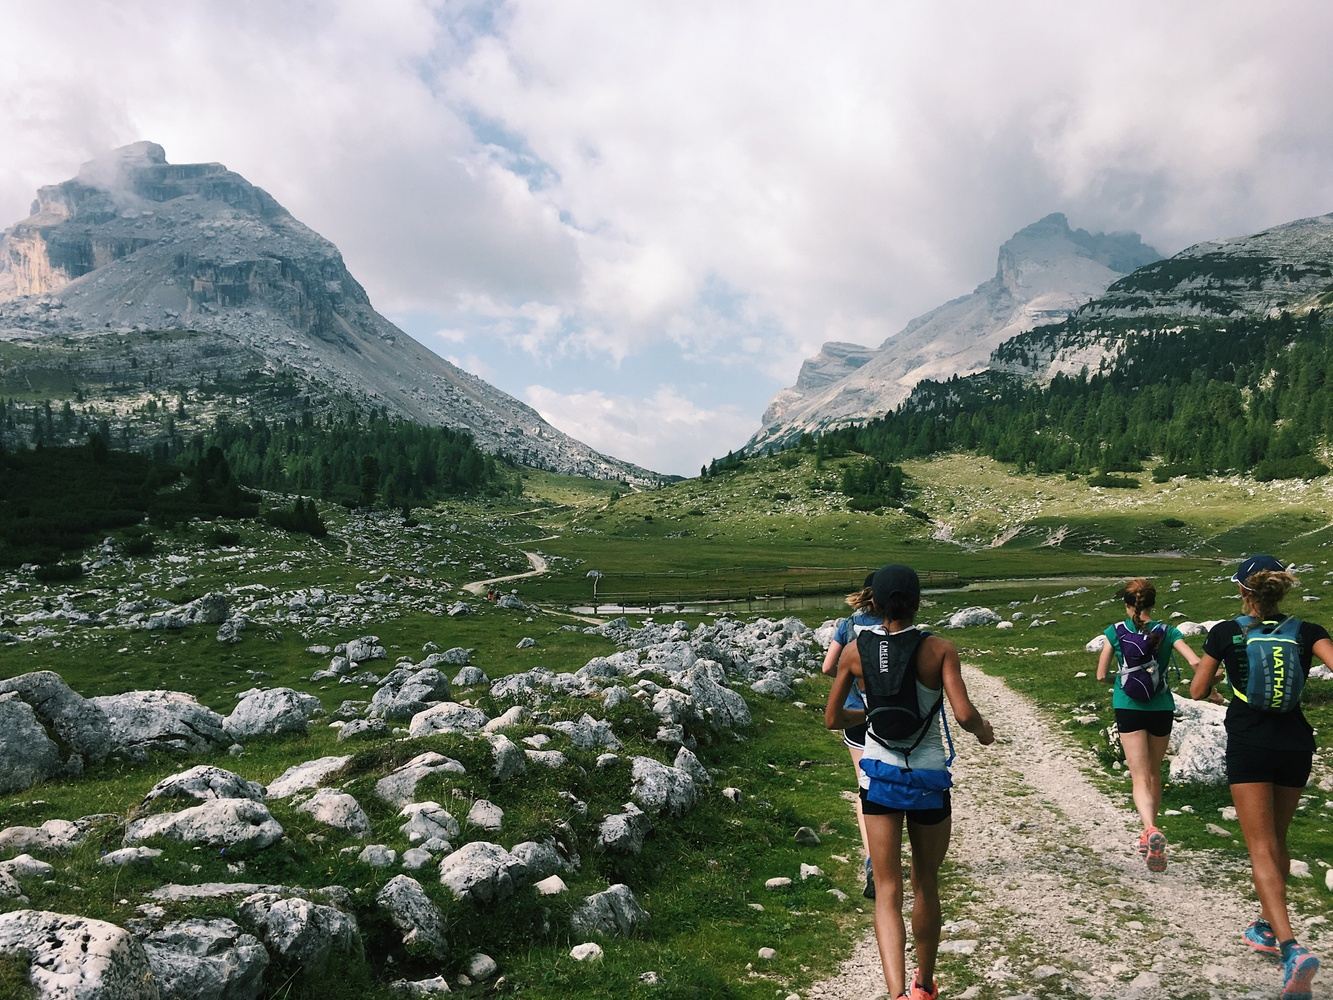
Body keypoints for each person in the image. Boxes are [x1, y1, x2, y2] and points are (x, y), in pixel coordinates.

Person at [825, 564, 995, 1000]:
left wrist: (872, 715)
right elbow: (962, 713)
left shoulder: (854, 651)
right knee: (926, 883)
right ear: (918, 601)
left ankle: (896, 993)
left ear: (874, 603)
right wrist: (984, 731)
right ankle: (924, 985)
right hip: (928, 776)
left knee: (887, 889)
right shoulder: (939, 649)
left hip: (879, 775)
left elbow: (832, 719)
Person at [1191, 555, 1327, 1000]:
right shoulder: (1307, 631)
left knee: (1260, 846)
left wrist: (1214, 689)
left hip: (1250, 741)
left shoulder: (1226, 632)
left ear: (1242, 591)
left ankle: (1291, 948)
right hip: (1296, 742)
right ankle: (1268, 927)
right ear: (1280, 589)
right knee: (1279, 840)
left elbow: (1196, 689)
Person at [1094, 578, 1200, 872]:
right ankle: (1153, 828)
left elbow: (1101, 675)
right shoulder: (1168, 631)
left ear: (1127, 604)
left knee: (1138, 776)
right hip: (1161, 707)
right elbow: (1194, 662)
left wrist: (1125, 681)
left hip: (1128, 708)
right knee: (1154, 772)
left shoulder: (1114, 632)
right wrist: (1212, 687)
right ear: (1152, 603)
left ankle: (1150, 829)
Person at [820, 573, 882, 898]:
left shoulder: (847, 625)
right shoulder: (894, 623)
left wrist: (847, 679)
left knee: (864, 787)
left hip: (856, 714)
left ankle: (873, 860)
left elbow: (828, 666)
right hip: (891, 715)